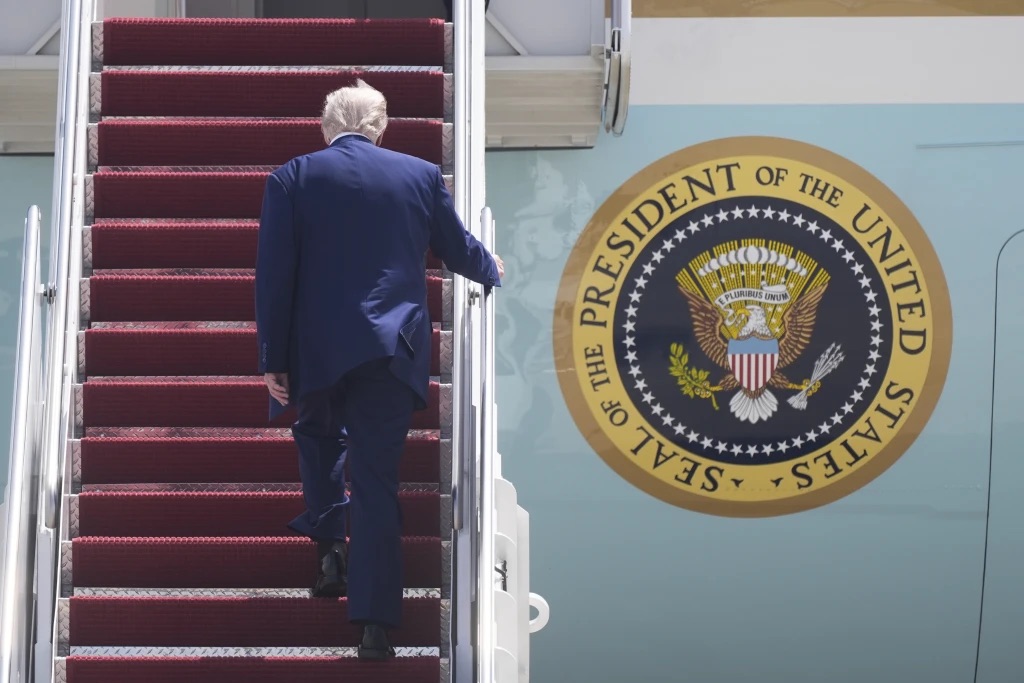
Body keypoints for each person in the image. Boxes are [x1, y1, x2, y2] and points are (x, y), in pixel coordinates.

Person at [255, 79, 503, 661]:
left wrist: (273, 359)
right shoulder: (419, 175)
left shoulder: (291, 177)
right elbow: (456, 248)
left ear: (326, 127)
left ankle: (329, 552)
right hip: (393, 349)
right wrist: (490, 267)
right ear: (381, 127)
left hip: (316, 346)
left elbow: (275, 276)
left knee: (318, 439)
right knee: (374, 479)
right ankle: (374, 625)